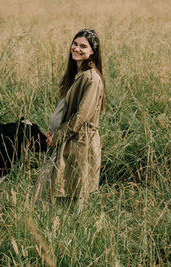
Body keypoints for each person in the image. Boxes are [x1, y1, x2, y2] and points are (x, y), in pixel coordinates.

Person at [45, 29, 105, 213]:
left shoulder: (91, 78)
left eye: (83, 46)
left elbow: (81, 116)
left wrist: (57, 136)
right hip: (65, 141)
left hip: (79, 144)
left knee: (73, 194)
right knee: (57, 192)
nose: (77, 49)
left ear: (92, 51)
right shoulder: (76, 74)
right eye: (75, 43)